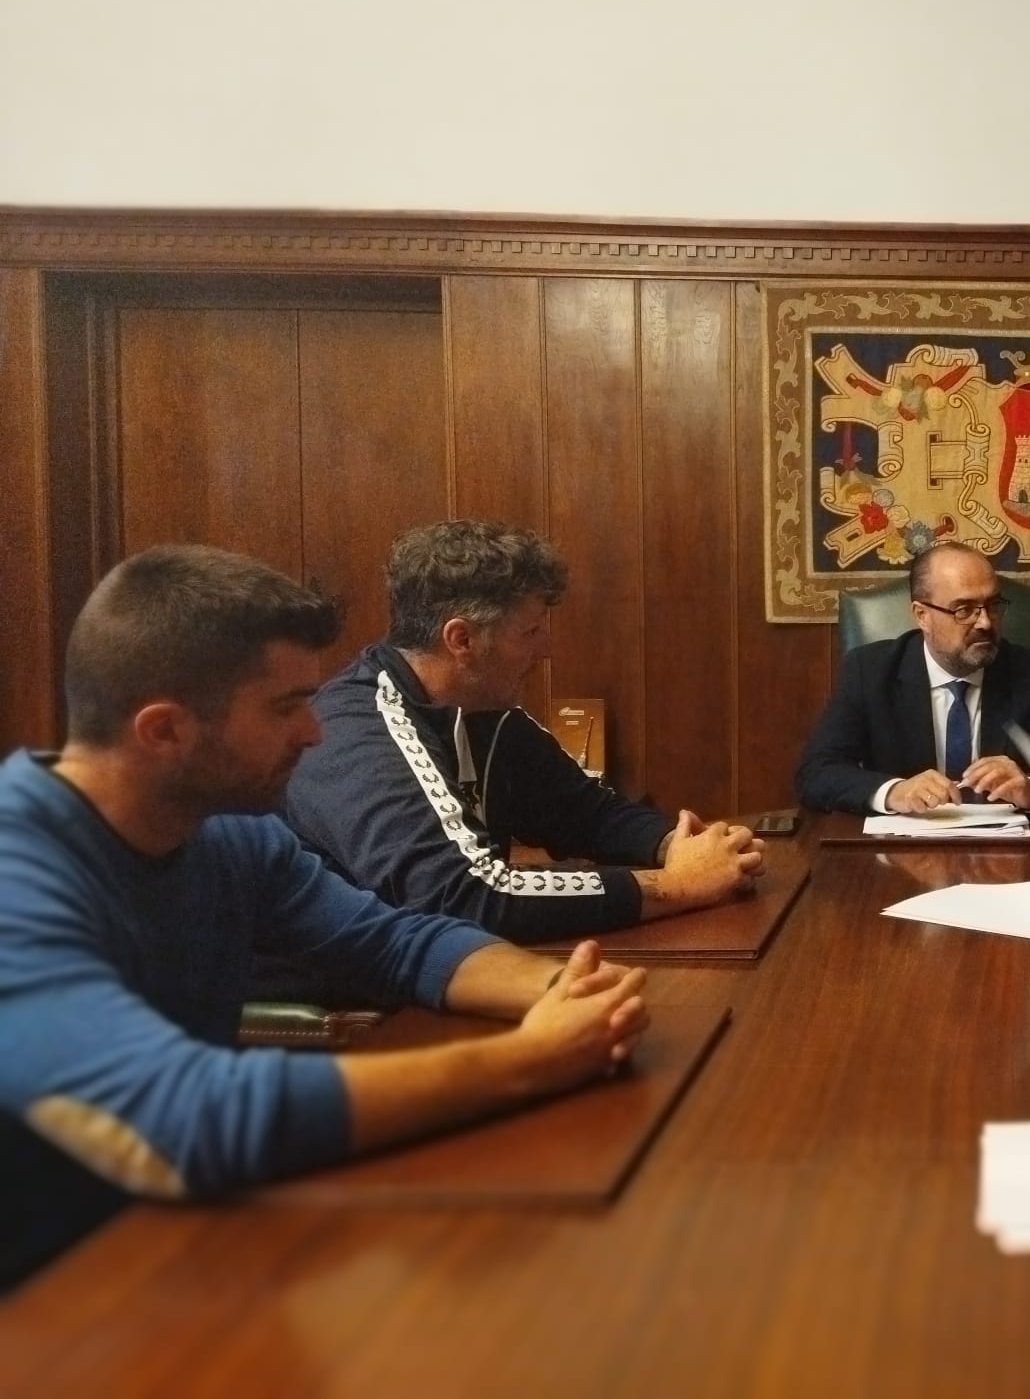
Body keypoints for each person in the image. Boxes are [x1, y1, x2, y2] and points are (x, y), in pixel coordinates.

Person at [0, 546, 654, 1290]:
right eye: (285, 708)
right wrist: (532, 1061)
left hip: (179, 1255)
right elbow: (186, 1117)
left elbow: (396, 941)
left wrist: (561, 993)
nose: (314, 733)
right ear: (164, 731)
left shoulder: (226, 831)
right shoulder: (16, 870)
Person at [283, 521, 762, 953]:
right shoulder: (356, 732)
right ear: (462, 640)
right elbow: (463, 896)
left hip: (445, 970)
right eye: (531, 632)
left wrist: (678, 845)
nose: (546, 650)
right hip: (348, 1003)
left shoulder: (484, 709)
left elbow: (584, 812)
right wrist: (674, 885)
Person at [793, 542, 1030, 815]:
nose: (985, 622)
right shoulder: (870, 671)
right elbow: (816, 773)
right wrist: (893, 792)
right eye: (964, 609)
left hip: (1005, 856)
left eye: (993, 605)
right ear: (922, 615)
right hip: (901, 857)